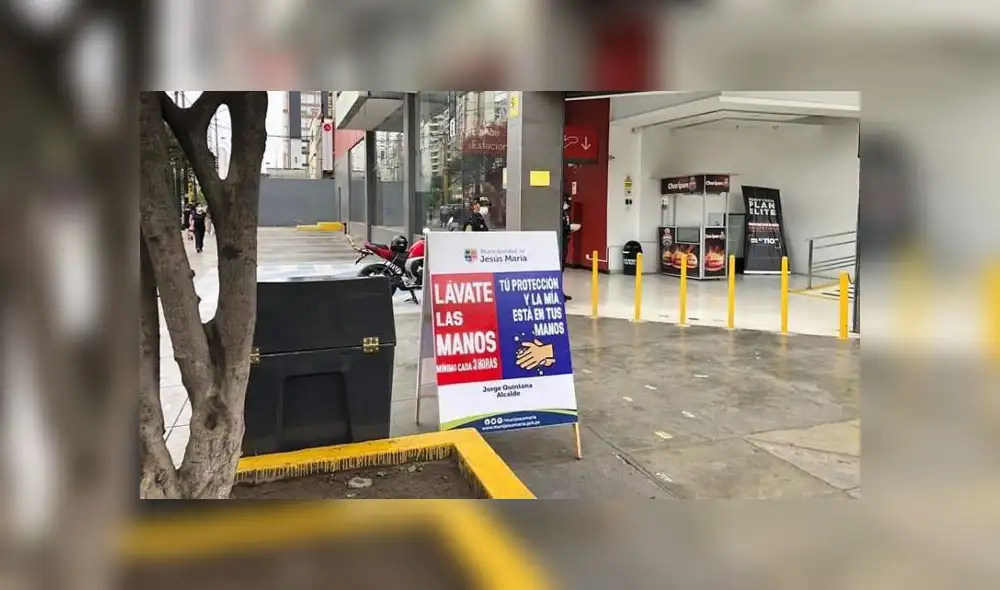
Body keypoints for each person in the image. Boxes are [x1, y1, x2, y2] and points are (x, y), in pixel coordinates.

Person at [561, 194, 573, 301]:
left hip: (565, 240)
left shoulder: (566, 214)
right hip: (560, 241)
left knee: (563, 266)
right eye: (566, 202)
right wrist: (568, 227)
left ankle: (561, 291)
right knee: (560, 267)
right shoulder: (559, 213)